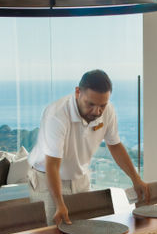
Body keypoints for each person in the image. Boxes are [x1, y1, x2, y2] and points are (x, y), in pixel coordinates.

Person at [28, 70, 150, 225]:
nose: (97, 111)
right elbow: (52, 164)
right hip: (47, 178)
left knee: (86, 231)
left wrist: (136, 179)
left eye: (102, 105)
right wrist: (59, 203)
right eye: (90, 104)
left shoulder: (108, 111)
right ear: (78, 92)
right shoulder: (57, 115)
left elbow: (115, 146)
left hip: (80, 177)